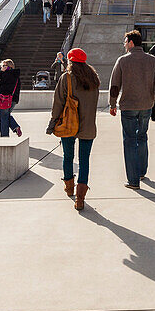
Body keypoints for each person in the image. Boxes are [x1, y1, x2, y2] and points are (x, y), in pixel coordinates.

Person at [109, 30, 155, 189]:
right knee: (142, 137)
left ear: (131, 42)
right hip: (147, 106)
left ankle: (133, 181)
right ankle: (141, 172)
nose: (124, 44)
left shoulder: (122, 61)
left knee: (129, 141)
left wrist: (113, 104)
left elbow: (114, 85)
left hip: (128, 107)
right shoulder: (152, 60)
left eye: (125, 41)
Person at [46, 48, 100, 210]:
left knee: (68, 156)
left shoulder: (67, 78)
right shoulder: (94, 79)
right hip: (88, 126)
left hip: (68, 124)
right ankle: (80, 198)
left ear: (70, 61)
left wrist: (53, 122)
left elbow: (58, 103)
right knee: (84, 161)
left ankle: (69, 188)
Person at [0, 59, 22, 137]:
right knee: (6, 116)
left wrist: (0, 72)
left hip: (4, 99)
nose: (1, 67)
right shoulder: (16, 75)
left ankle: (4, 136)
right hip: (13, 99)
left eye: (3, 66)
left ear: (8, 66)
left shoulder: (5, 74)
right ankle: (15, 127)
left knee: (3, 118)